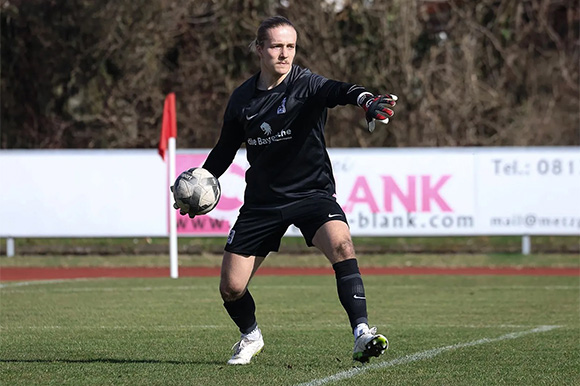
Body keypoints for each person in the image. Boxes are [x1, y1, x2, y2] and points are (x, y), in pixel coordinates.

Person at [174, 16, 397, 365]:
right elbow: (225, 150)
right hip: (263, 202)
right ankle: (250, 337)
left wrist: (365, 100)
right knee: (231, 288)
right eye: (276, 46)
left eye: (290, 46)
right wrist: (201, 180)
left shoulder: (306, 84)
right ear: (260, 49)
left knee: (341, 245)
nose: (284, 54)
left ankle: (361, 333)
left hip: (312, 194)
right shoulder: (242, 100)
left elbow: (339, 90)